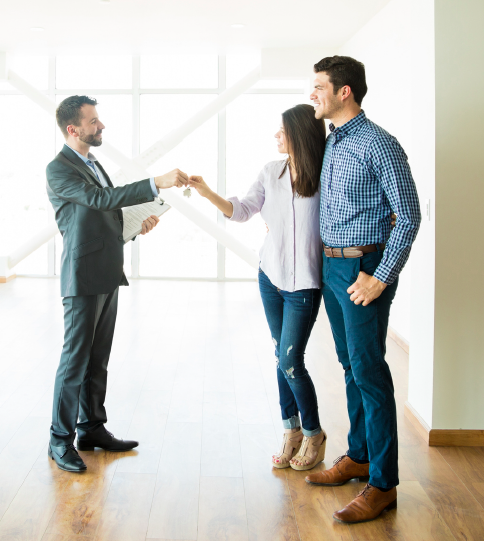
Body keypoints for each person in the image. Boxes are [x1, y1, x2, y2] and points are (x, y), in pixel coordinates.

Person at [303, 56, 421, 523]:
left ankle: (384, 483)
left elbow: (408, 215)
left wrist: (381, 275)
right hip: (333, 267)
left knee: (370, 372)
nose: (312, 94)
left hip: (364, 270)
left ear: (344, 91)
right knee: (350, 365)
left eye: (318, 87)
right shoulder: (333, 142)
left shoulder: (379, 144)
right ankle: (358, 454)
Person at [46, 95, 187, 473]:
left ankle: (91, 428)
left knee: (97, 360)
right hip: (82, 278)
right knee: (74, 361)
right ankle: (59, 440)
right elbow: (98, 198)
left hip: (107, 270)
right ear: (73, 129)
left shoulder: (94, 163)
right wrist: (154, 183)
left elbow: (103, 213)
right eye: (94, 121)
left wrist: (133, 228)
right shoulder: (58, 169)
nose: (101, 126)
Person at [185, 103, 328, 471]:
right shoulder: (271, 171)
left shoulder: (327, 173)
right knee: (281, 355)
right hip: (270, 277)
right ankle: (291, 430)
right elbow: (243, 210)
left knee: (291, 360)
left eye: (281, 131)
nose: (276, 137)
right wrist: (208, 193)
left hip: (305, 285)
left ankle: (314, 433)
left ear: (299, 135)